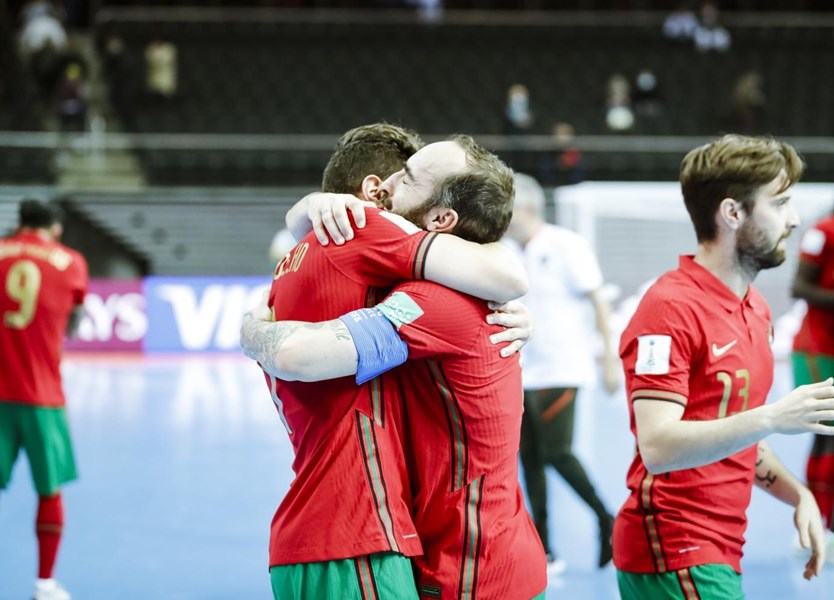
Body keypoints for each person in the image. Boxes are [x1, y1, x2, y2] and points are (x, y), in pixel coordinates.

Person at [241, 136, 547, 599]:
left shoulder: (437, 297)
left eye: (408, 178)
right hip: (428, 550)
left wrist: (249, 329)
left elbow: (295, 355)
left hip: (475, 569)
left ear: (441, 220)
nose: (386, 187)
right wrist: (312, 206)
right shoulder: (414, 273)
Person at [614, 134, 834, 599]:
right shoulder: (670, 309)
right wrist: (774, 416)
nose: (793, 219)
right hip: (675, 551)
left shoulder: (753, 308)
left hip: (718, 548)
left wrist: (799, 494)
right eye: (780, 203)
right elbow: (657, 445)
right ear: (732, 213)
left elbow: (733, 435)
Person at [504, 172, 618, 574]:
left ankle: (607, 519)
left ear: (528, 206)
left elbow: (599, 301)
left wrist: (608, 359)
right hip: (521, 371)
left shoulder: (567, 245)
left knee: (557, 453)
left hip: (562, 368)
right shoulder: (503, 251)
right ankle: (546, 548)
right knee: (529, 461)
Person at [0, 199, 88, 600]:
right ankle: (44, 584)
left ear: (19, 224)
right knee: (49, 490)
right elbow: (72, 319)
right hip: (41, 394)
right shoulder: (69, 261)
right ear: (54, 229)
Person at [791, 208, 834, 556]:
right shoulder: (823, 231)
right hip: (817, 351)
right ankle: (816, 528)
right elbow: (798, 286)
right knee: (827, 437)